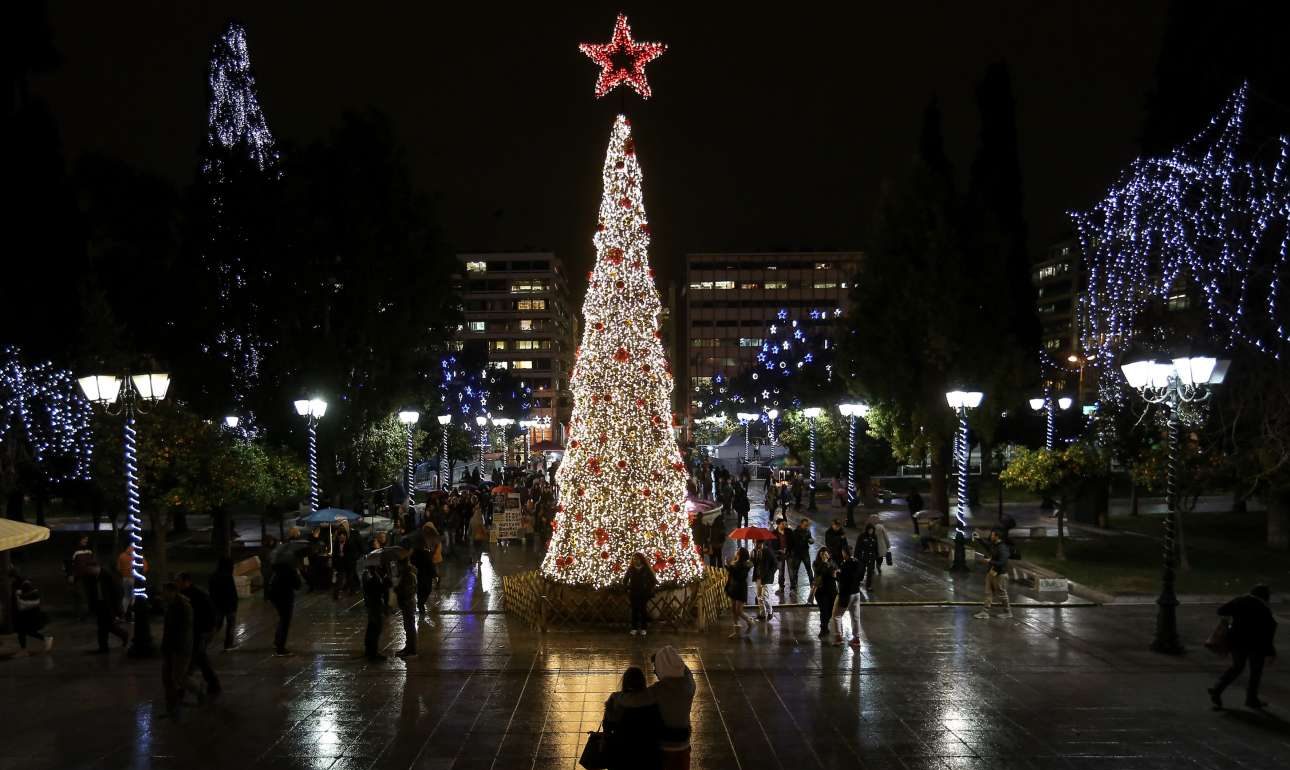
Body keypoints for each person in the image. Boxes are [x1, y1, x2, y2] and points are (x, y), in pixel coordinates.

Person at [1209, 585, 1278, 710]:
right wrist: (1271, 651)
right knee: (1255, 672)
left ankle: (1217, 689)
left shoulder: (1240, 600)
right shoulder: (1264, 608)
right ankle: (1251, 699)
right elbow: (1269, 631)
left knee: (1237, 667)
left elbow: (1221, 611)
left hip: (1237, 641)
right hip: (1256, 644)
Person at [602, 666, 664, 770]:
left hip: (621, 753)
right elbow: (659, 726)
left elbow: (607, 726)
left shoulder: (615, 699)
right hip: (647, 753)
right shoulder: (652, 700)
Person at [649, 646, 696, 770]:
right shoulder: (689, 684)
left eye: (656, 668)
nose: (655, 671)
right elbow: (684, 670)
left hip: (664, 746)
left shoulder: (657, 690)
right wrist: (673, 660)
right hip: (684, 744)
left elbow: (635, 700)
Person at [177, 572, 220, 697]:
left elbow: (209, 612)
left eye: (179, 581)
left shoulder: (196, 595)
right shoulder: (187, 594)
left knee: (198, 656)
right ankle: (188, 684)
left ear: (186, 581)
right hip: (196, 631)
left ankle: (188, 685)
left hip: (200, 631)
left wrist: (210, 628)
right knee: (198, 657)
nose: (177, 584)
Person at [160, 581, 195, 718]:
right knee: (167, 678)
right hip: (170, 647)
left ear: (172, 592)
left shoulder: (183, 607)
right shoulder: (170, 605)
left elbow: (182, 630)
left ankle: (198, 690)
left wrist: (176, 647)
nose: (163, 595)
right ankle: (171, 706)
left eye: (165, 592)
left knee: (178, 677)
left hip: (180, 648)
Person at [268, 537, 302, 655]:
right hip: (286, 597)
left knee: (282, 619)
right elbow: (298, 585)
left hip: (275, 595)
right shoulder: (290, 570)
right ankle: (280, 648)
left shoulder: (276, 569)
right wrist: (297, 573)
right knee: (285, 621)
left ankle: (277, 641)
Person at [89, 564, 128, 653]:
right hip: (101, 604)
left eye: (91, 569)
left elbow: (115, 591)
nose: (90, 572)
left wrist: (115, 607)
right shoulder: (94, 577)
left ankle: (123, 635)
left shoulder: (107, 575)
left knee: (107, 626)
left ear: (95, 568)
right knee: (104, 626)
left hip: (107, 605)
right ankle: (104, 647)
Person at [974, 529, 1012, 619]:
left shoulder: (1003, 548)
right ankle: (985, 612)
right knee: (988, 592)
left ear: (997, 536)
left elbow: (1002, 562)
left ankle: (1008, 612)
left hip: (1000, 574)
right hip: (991, 572)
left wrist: (990, 561)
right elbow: (988, 546)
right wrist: (979, 539)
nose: (991, 536)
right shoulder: (995, 545)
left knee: (1002, 593)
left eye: (992, 535)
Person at [834, 545, 863, 647]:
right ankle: (856, 639)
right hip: (856, 592)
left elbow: (843, 578)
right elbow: (861, 575)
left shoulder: (846, 564)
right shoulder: (857, 562)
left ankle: (838, 637)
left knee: (836, 615)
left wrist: (837, 574)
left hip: (846, 594)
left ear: (845, 553)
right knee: (855, 616)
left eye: (843, 553)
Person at [361, 560, 391, 660]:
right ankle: (373, 653)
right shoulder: (373, 578)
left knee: (372, 628)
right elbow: (377, 591)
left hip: (372, 606)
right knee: (376, 629)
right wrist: (385, 585)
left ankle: (369, 650)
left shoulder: (369, 576)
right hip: (375, 607)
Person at [13, 578, 52, 654]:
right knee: (26, 631)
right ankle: (45, 639)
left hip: (27, 614)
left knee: (23, 631)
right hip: (26, 614)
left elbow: (22, 605)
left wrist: (18, 597)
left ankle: (24, 650)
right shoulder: (25, 589)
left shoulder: (24, 589)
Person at [209, 556, 239, 651]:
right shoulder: (227, 576)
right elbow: (232, 591)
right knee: (230, 624)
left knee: (216, 624)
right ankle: (228, 644)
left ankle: (206, 641)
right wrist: (235, 603)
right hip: (229, 604)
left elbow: (212, 591)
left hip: (217, 604)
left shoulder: (214, 575)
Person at [624, 552, 658, 636]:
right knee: (634, 610)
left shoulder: (646, 569)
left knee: (643, 610)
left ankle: (643, 628)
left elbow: (653, 580)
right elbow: (625, 580)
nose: (636, 560)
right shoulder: (631, 569)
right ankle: (634, 628)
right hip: (633, 592)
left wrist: (649, 588)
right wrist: (628, 588)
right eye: (634, 559)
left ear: (641, 559)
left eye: (638, 559)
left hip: (643, 593)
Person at [807, 549, 838, 640]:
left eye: (826, 554)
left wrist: (828, 564)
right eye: (822, 554)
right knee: (823, 610)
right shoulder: (816, 563)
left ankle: (825, 624)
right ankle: (823, 628)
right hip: (821, 591)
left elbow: (833, 573)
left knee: (830, 610)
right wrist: (824, 563)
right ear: (820, 555)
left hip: (832, 591)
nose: (824, 555)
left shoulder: (832, 563)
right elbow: (818, 572)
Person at [394, 544, 418, 658]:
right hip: (407, 604)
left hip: (408, 604)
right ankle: (408, 647)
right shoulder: (405, 574)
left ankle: (411, 650)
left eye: (398, 564)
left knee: (409, 627)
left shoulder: (409, 575)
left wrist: (397, 589)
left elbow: (407, 591)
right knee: (407, 627)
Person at [724, 547, 754, 638]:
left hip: (740, 589)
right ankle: (736, 631)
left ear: (741, 555)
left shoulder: (745, 565)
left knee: (739, 610)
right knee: (733, 610)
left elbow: (740, 577)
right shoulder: (734, 564)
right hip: (733, 588)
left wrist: (729, 568)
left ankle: (750, 622)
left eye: (738, 551)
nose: (736, 552)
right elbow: (731, 577)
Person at [116, 545, 148, 617]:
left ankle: (124, 613)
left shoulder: (122, 556)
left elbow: (118, 568)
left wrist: (124, 572)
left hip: (125, 578)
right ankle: (133, 614)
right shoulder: (139, 556)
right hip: (135, 579)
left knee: (126, 596)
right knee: (134, 597)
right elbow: (145, 568)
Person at [411, 528, 437, 615]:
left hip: (425, 573)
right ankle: (421, 604)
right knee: (424, 589)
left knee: (425, 589)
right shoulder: (420, 551)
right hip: (423, 573)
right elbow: (429, 563)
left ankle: (420, 603)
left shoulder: (426, 550)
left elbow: (430, 563)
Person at [751, 539, 777, 621]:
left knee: (764, 597)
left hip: (766, 578)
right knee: (759, 597)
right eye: (755, 542)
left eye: (758, 542)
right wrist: (752, 556)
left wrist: (770, 573)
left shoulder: (768, 551)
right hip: (758, 577)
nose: (756, 544)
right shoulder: (754, 552)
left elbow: (775, 564)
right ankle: (762, 614)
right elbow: (753, 563)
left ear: (762, 543)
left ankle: (770, 611)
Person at [787, 518, 814, 590]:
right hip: (797, 554)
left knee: (809, 569)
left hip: (805, 553)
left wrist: (811, 541)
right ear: (801, 524)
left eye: (807, 525)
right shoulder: (795, 532)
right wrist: (791, 553)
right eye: (805, 525)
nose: (806, 527)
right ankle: (794, 585)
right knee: (795, 570)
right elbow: (793, 543)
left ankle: (812, 584)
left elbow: (810, 539)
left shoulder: (808, 532)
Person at [856, 524, 881, 590]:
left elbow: (876, 547)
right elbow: (858, 546)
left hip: (871, 557)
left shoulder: (874, 536)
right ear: (867, 530)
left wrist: (877, 555)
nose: (871, 531)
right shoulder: (862, 536)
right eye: (870, 530)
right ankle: (857, 582)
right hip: (863, 557)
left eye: (872, 530)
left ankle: (868, 586)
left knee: (870, 572)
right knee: (861, 571)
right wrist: (856, 556)